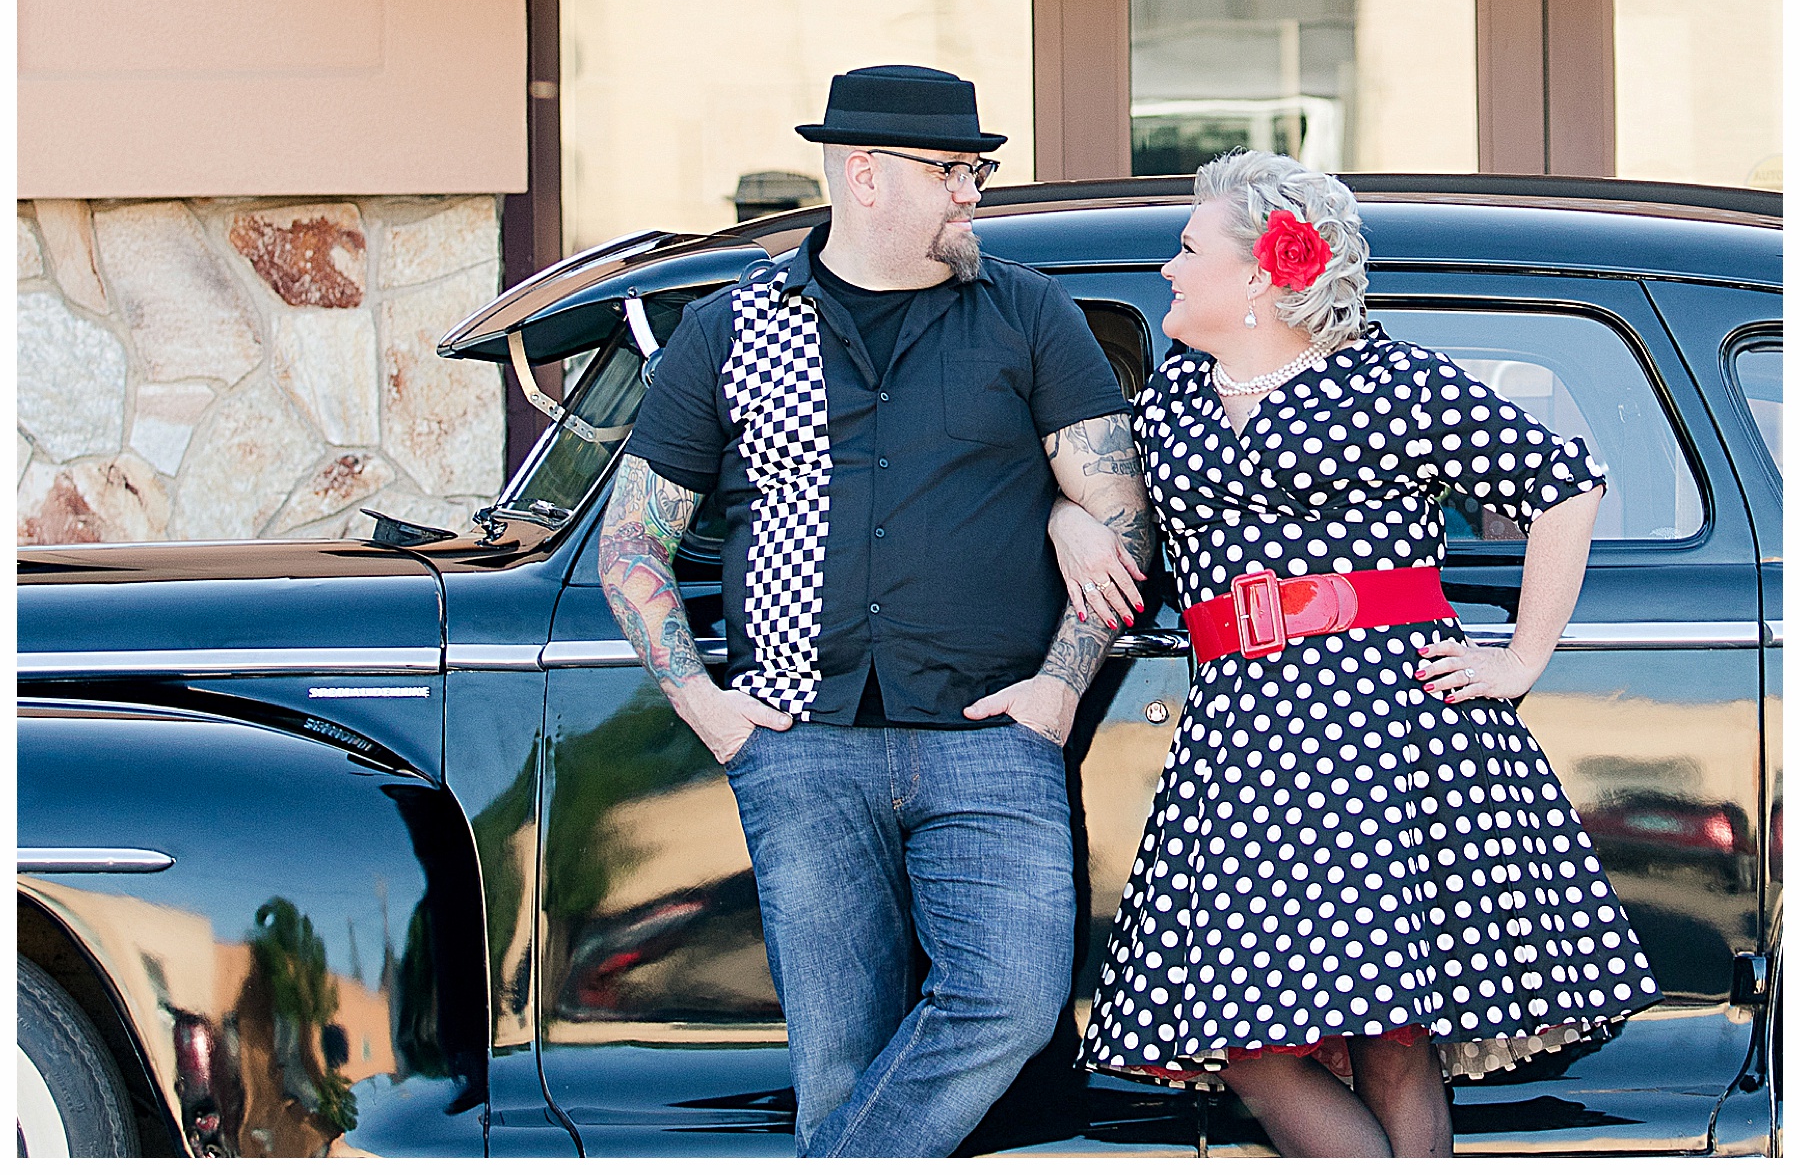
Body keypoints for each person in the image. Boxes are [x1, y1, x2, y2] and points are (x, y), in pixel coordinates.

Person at [1050, 149, 1661, 1157]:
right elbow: (1103, 497)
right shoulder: (1173, 407)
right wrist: (1068, 523)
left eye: (1187, 247)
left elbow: (1566, 483)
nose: (1167, 267)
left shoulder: (1391, 381)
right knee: (1246, 1033)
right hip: (1244, 732)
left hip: (1386, 722)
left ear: (1258, 274)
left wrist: (1521, 657)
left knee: (1391, 1031)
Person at [596, 65, 1153, 1158]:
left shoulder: (1029, 314)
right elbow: (633, 542)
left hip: (993, 742)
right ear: (864, 175)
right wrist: (705, 706)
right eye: (951, 170)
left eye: (976, 169)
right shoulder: (731, 329)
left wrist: (1058, 683)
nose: (973, 193)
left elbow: (1121, 515)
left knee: (1009, 1003)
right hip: (800, 747)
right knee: (839, 1061)